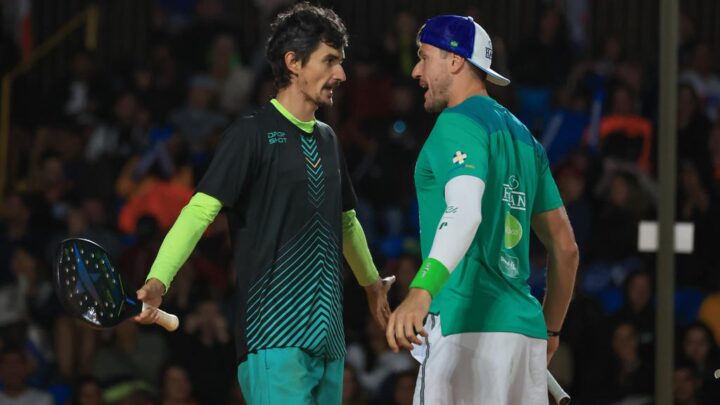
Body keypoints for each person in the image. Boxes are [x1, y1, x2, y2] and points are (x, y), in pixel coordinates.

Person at [135, 3, 392, 404]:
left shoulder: (329, 138)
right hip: (274, 337)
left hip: (329, 342)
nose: (340, 75)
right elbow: (199, 212)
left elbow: (346, 222)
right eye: (330, 61)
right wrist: (158, 280)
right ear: (293, 62)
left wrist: (372, 286)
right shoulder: (250, 134)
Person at [385, 15, 579, 404]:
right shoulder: (526, 139)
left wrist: (421, 291)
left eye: (423, 57)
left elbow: (465, 212)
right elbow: (566, 248)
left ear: (454, 61)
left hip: (464, 330)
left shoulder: (455, 123)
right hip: (523, 339)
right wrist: (552, 331)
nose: (415, 69)